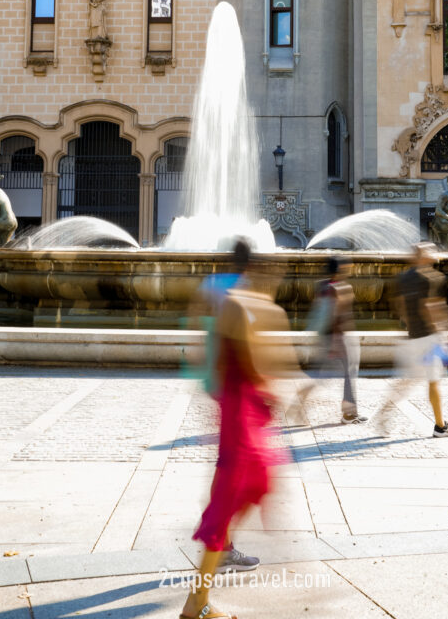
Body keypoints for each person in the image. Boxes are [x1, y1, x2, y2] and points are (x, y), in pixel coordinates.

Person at [180, 250, 293, 619]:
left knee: (236, 492)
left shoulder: (231, 303)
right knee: (237, 492)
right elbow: (255, 363)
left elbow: (220, 360)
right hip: (243, 415)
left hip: (237, 410)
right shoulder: (248, 308)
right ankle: (197, 601)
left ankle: (198, 600)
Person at [374, 242, 448, 438]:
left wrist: (409, 326)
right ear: (423, 255)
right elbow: (431, 306)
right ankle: (440, 426)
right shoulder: (431, 277)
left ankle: (385, 412)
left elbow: (399, 305)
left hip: (413, 337)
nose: (435, 252)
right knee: (434, 381)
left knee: (407, 381)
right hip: (430, 338)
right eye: (431, 250)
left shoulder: (404, 278)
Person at [311, 258, 366, 424]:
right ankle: (349, 413)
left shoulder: (323, 286)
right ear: (339, 269)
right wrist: (336, 342)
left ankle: (298, 403)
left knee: (320, 376)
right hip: (340, 337)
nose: (349, 269)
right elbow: (337, 316)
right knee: (350, 374)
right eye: (346, 267)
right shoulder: (339, 288)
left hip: (326, 337)